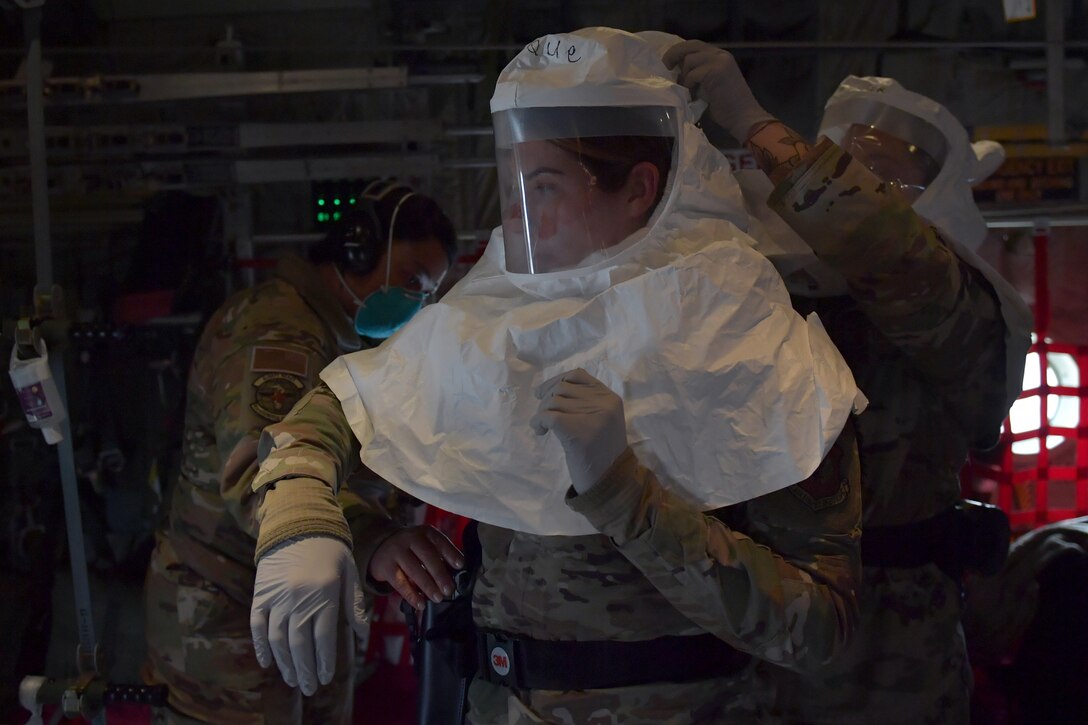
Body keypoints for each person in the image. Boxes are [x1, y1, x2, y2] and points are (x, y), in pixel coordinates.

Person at [248, 28, 868, 724]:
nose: (515, 215)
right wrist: (302, 518)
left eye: (542, 186)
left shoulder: (753, 341)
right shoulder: (497, 310)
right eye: (510, 179)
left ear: (638, 188)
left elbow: (822, 630)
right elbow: (329, 410)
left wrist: (623, 493)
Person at [663, 42, 1033, 723]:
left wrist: (750, 118)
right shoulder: (768, 285)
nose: (857, 182)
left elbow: (888, 251)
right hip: (759, 634)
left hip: (891, 652)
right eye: (845, 159)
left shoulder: (957, 299)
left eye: (883, 175)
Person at [141, 180, 460, 724]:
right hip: (228, 635)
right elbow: (266, 472)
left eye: (427, 293)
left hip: (277, 619)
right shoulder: (281, 334)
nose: (414, 301)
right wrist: (374, 539)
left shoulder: (325, 335)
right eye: (410, 280)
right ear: (358, 249)